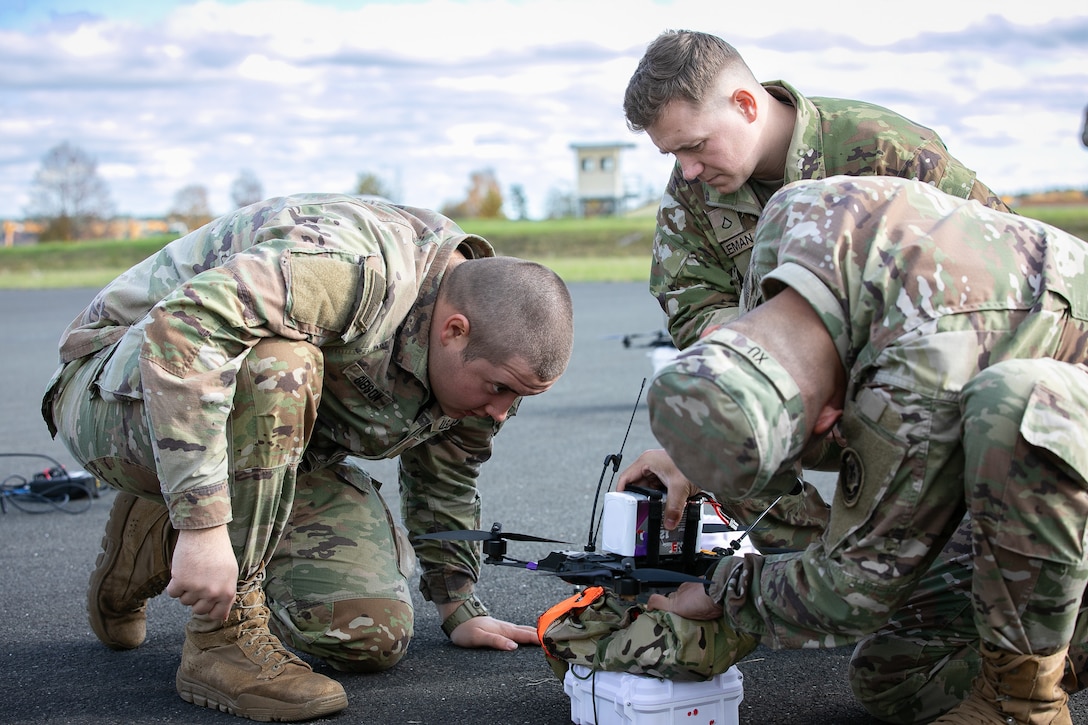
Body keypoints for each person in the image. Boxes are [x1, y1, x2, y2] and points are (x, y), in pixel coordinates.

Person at [619, 30, 1031, 721]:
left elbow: (1005, 269)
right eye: (672, 155)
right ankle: (842, 584)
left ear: (747, 104)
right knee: (726, 432)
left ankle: (916, 584)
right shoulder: (693, 197)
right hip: (809, 398)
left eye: (694, 146)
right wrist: (713, 419)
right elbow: (692, 309)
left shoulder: (882, 150)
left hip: (935, 397)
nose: (686, 171)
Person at [41, 194, 575, 721]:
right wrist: (203, 526)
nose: (502, 412)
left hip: (268, 451)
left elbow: (448, 470)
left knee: (370, 635)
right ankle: (220, 641)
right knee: (281, 364)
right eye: (501, 388)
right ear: (453, 331)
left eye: (519, 396)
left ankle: (154, 530)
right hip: (118, 392)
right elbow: (182, 332)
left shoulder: (488, 349)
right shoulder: (354, 271)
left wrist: (458, 605)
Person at [628, 174, 1088, 724]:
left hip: (1050, 422)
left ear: (831, 418)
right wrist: (697, 451)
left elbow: (855, 591)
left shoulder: (915, 378)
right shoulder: (789, 218)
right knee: (896, 677)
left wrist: (721, 588)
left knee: (1015, 404)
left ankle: (1025, 702)